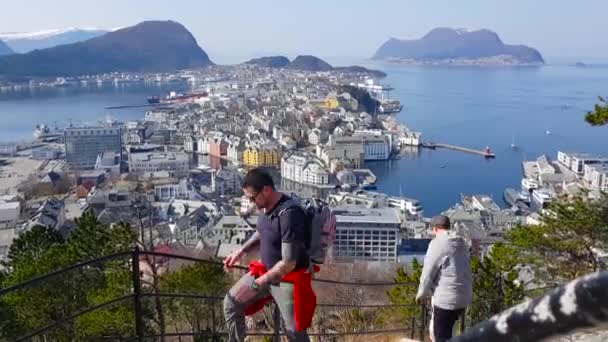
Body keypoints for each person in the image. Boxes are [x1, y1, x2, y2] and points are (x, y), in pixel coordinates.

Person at [223, 168, 311, 342]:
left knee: (294, 332)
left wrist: (259, 283)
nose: (250, 202)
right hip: (265, 271)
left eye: (252, 198)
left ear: (266, 190)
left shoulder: (289, 215)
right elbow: (262, 232)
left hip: (287, 281)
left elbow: (288, 263)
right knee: (231, 303)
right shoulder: (265, 208)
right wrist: (242, 251)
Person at [416, 215, 472, 342]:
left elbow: (428, 271)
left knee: (438, 336)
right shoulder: (461, 242)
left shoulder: (437, 243)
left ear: (435, 229)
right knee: (448, 332)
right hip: (463, 296)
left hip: (446, 298)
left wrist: (421, 294)